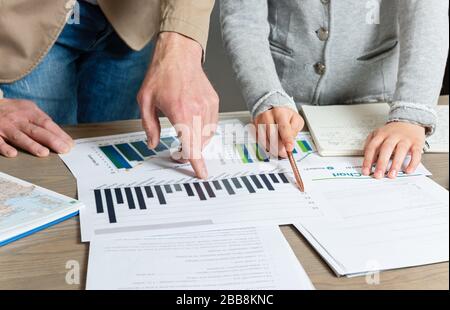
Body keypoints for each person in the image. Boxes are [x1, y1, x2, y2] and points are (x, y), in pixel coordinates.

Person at [221, 0, 449, 179]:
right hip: (286, 109)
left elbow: (426, 14)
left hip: (380, 115)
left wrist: (411, 116)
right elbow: (243, 18)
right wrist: (266, 93)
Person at [0, 0, 218, 179]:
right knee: (41, 180)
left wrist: (181, 44)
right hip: (18, 22)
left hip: (133, 23)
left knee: (114, 178)